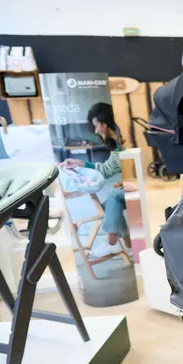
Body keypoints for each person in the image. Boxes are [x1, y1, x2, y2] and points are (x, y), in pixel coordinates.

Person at [62, 102, 136, 259]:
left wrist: (129, 182)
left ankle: (112, 243)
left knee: (114, 196)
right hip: (131, 184)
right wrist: (82, 163)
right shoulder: (117, 144)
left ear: (106, 123)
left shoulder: (121, 143)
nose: (96, 130)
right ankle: (128, 245)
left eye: (97, 126)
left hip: (139, 186)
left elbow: (126, 168)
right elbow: (109, 168)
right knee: (108, 205)